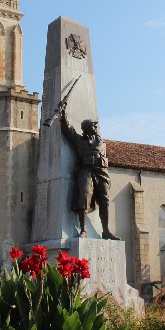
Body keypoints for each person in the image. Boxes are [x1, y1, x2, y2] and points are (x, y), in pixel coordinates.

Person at [60, 103, 119, 240]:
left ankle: (106, 231)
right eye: (93, 125)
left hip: (101, 172)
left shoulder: (101, 142)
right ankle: (83, 230)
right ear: (87, 129)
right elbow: (68, 130)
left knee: (105, 200)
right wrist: (63, 114)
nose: (95, 127)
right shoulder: (80, 141)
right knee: (84, 198)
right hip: (86, 171)